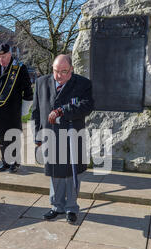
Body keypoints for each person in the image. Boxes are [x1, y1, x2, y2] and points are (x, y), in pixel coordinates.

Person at [31, 54, 94, 224]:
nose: (58, 76)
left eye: (63, 72)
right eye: (55, 71)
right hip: (50, 136)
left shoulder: (83, 84)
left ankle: (71, 208)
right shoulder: (41, 82)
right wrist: (37, 136)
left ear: (71, 70)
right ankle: (56, 206)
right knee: (55, 174)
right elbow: (36, 112)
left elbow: (87, 106)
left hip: (73, 136)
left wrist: (62, 111)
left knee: (72, 174)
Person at [0, 43, 33, 173]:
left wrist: (24, 109)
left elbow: (27, 90)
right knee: (0, 138)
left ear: (10, 54)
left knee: (12, 138)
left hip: (13, 110)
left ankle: (14, 163)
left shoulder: (19, 68)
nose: (1, 60)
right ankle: (5, 162)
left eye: (4, 57)